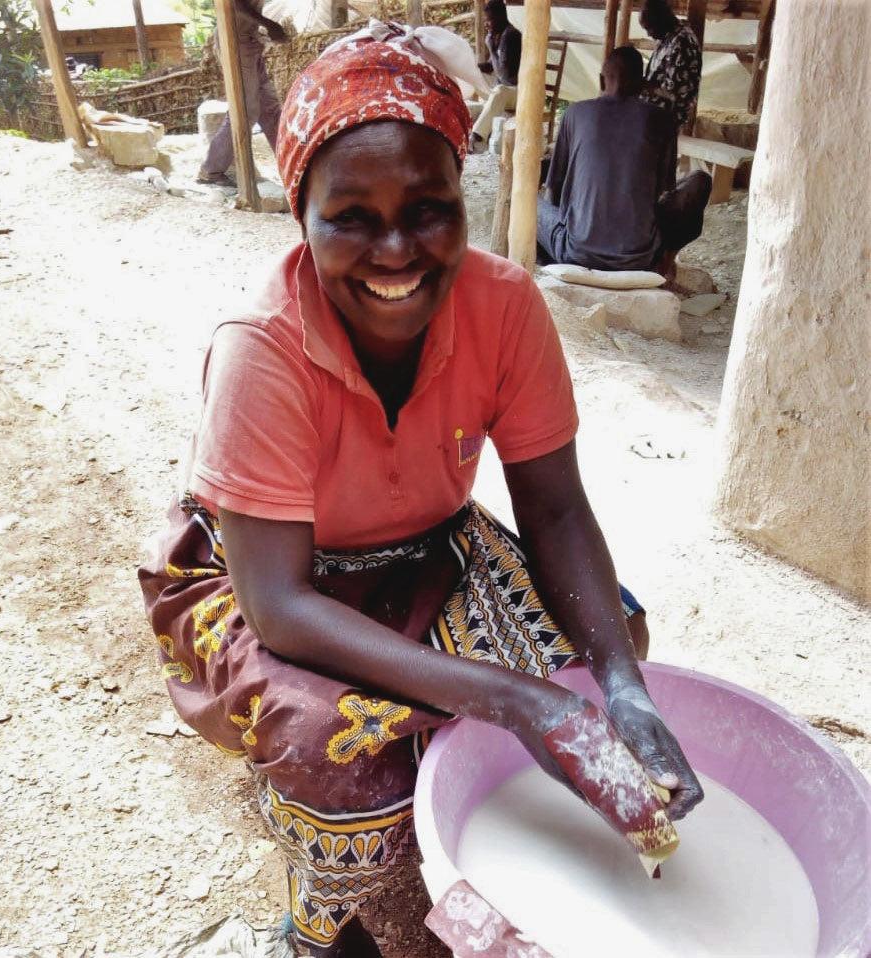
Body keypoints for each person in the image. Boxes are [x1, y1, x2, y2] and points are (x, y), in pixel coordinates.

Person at [141, 23, 702, 958]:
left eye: (429, 208)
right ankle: (320, 925)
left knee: (608, 645)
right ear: (301, 216)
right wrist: (514, 700)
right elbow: (279, 606)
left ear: (462, 197)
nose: (397, 250)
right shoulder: (262, 345)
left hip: (429, 545)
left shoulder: (505, 305)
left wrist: (618, 684)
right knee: (333, 748)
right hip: (264, 575)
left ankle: (477, 829)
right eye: (351, 216)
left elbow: (556, 507)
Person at [538, 46, 711, 273]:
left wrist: (579, 222)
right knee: (700, 180)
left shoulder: (575, 113)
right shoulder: (663, 120)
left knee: (529, 202)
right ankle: (665, 262)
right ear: (642, 85)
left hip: (576, 252)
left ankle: (549, 266)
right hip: (640, 257)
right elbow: (663, 192)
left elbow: (555, 187)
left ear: (602, 80)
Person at [198, 0, 288, 185]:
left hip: (250, 39)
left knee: (270, 109)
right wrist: (269, 24)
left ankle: (290, 165)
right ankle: (211, 171)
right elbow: (234, 4)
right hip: (234, 41)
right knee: (244, 110)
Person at [639, 0, 703, 131]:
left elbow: (677, 95)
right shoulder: (668, 37)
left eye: (649, 28)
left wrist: (644, 86)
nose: (648, 34)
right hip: (654, 118)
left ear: (661, 20)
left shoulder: (682, 42)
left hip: (664, 122)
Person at [469, 0, 521, 153]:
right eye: (485, 20)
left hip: (519, 91)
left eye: (489, 20)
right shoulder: (497, 35)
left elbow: (505, 75)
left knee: (499, 91)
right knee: (474, 74)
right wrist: (471, 68)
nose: (486, 24)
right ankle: (482, 113)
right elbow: (490, 66)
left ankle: (476, 136)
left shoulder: (511, 36)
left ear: (500, 17)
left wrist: (491, 48)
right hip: (504, 88)